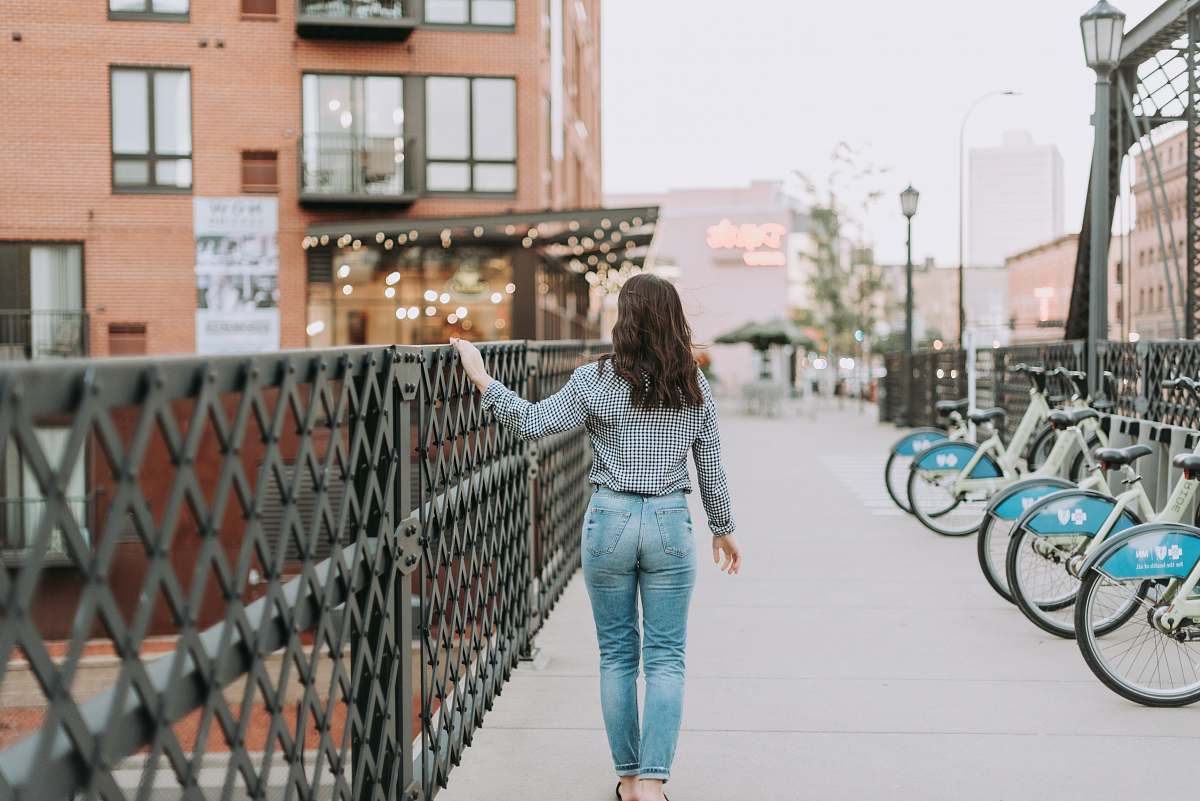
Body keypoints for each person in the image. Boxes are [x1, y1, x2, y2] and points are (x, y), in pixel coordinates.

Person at [450, 273, 741, 801]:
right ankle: (653, 784)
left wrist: (482, 378)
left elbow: (532, 423)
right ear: (675, 323)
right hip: (671, 524)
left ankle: (628, 781)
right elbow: (711, 469)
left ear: (623, 322)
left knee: (617, 655)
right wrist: (723, 529)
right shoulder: (693, 388)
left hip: (608, 521)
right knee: (666, 657)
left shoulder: (595, 382)